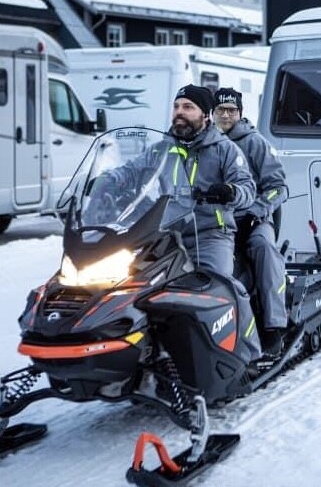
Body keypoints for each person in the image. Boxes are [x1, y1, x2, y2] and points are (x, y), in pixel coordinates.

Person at [92, 84, 261, 360]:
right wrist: (105, 181)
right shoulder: (162, 149)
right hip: (167, 234)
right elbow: (131, 171)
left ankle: (248, 354)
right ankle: (137, 352)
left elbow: (248, 189)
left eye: (188, 107)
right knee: (128, 284)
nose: (179, 112)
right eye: (176, 106)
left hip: (210, 234)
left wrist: (230, 191)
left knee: (223, 287)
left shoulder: (225, 150)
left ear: (205, 114)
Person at [213, 87, 289, 358]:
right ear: (212, 113)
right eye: (220, 110)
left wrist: (256, 211)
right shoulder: (205, 143)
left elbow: (278, 187)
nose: (226, 115)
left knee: (264, 249)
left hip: (253, 219)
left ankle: (273, 324)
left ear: (240, 113)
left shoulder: (254, 142)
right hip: (216, 222)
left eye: (231, 110)